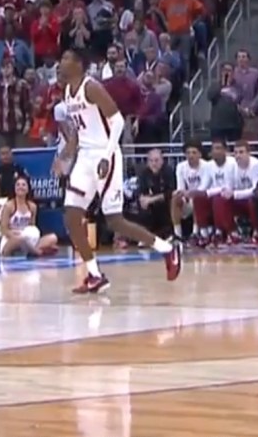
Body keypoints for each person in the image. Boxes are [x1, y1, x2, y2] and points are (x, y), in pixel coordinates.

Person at [54, 48, 181, 294]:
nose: (61, 62)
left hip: (106, 153)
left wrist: (106, 154)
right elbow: (78, 132)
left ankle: (167, 249)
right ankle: (94, 274)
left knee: (115, 221)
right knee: (71, 216)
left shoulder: (91, 87)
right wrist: (64, 156)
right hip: (85, 157)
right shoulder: (67, 91)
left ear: (79, 64)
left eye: (66, 58)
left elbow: (118, 121)